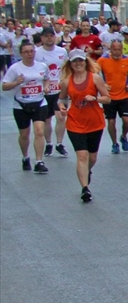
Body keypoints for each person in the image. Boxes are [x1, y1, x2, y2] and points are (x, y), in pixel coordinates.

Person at [60, 50, 111, 202]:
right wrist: (62, 107)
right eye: (74, 61)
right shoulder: (66, 82)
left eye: (80, 61)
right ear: (70, 64)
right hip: (75, 122)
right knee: (82, 155)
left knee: (92, 157)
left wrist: (95, 98)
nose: (78, 64)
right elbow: (61, 99)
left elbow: (107, 99)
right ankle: (85, 188)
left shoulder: (95, 78)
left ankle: (86, 171)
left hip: (95, 122)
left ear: (85, 62)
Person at [2, 41, 51, 173]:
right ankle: (25, 157)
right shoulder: (15, 68)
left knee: (39, 131)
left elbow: (47, 78)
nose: (30, 54)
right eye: (26, 52)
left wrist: (46, 86)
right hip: (21, 105)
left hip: (40, 102)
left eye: (32, 51)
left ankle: (39, 161)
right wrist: (15, 82)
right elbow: (4, 86)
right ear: (21, 53)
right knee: (24, 135)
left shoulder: (42, 66)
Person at [98, 39, 128, 153]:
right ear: (110, 49)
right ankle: (114, 143)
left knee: (126, 120)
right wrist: (102, 84)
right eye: (114, 50)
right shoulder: (102, 60)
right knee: (111, 121)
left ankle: (124, 137)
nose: (117, 52)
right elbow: (94, 73)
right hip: (109, 97)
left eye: (119, 49)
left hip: (124, 95)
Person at [35, 28, 69, 158]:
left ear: (55, 37)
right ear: (42, 38)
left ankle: (59, 143)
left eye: (51, 36)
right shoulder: (37, 52)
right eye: (46, 36)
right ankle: (49, 143)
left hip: (59, 90)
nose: (49, 38)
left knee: (61, 117)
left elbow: (66, 68)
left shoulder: (62, 51)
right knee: (47, 120)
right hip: (44, 91)